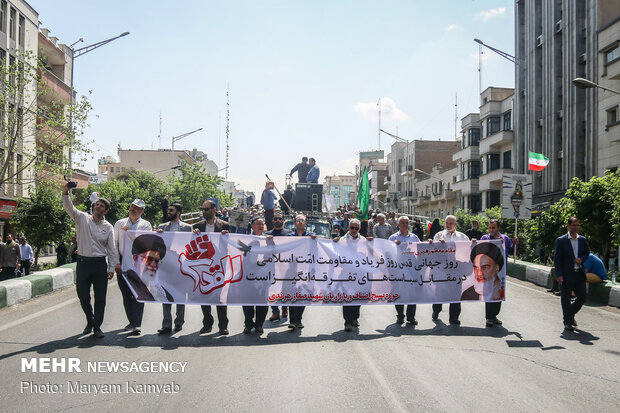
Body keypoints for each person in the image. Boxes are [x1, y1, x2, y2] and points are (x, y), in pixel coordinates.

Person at [62, 183, 118, 338]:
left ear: (106, 211)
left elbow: (112, 249)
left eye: (101, 206)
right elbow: (69, 208)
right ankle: (90, 319)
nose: (98, 207)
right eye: (97, 204)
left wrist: (112, 268)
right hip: (83, 264)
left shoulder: (108, 227)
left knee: (100, 298)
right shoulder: (82, 219)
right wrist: (66, 192)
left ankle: (97, 327)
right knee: (83, 296)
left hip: (100, 265)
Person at [114, 199, 153, 336]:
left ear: (141, 211)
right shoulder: (120, 223)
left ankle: (137, 324)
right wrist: (115, 263)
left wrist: (131, 233)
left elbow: (146, 244)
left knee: (138, 296)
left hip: (139, 267)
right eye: (132, 206)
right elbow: (114, 244)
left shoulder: (146, 225)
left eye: (137, 208)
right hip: (122, 265)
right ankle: (132, 321)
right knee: (126, 296)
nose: (133, 209)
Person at [193, 199, 231, 335]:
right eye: (202, 209)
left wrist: (227, 236)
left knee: (220, 296)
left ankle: (223, 326)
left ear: (214, 210)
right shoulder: (198, 226)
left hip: (219, 266)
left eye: (206, 209)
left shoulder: (225, 225)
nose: (204, 212)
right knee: (205, 294)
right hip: (203, 266)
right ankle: (207, 324)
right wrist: (194, 234)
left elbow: (231, 244)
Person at [156, 202, 193, 334]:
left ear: (178, 213)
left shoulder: (187, 228)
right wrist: (158, 235)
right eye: (168, 210)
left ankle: (179, 322)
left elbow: (190, 246)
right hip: (166, 267)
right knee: (165, 295)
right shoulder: (162, 227)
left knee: (180, 295)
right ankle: (166, 324)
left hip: (180, 267)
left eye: (171, 210)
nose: (168, 212)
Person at [333, 219, 372, 331]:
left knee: (358, 296)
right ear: (348, 228)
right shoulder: (341, 240)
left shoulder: (364, 241)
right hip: (346, 273)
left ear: (359, 229)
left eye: (356, 228)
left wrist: (372, 242)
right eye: (352, 228)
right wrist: (333, 242)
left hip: (360, 273)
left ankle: (355, 318)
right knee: (347, 297)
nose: (354, 230)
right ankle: (347, 322)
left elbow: (370, 255)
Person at [431, 215, 469, 325]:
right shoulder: (439, 235)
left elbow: (468, 251)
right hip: (442, 270)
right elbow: (432, 250)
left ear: (455, 224)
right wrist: (438, 244)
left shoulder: (463, 237)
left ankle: (454, 317)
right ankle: (436, 311)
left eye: (451, 223)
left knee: (456, 294)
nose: (448, 225)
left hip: (456, 270)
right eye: (447, 223)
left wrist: (474, 242)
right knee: (439, 292)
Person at [554, 216, 590, 331]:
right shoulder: (561, 240)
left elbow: (587, 253)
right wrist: (559, 275)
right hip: (566, 273)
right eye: (574, 225)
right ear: (568, 226)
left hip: (579, 272)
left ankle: (570, 314)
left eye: (578, 225)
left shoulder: (583, 240)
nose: (576, 227)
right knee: (566, 298)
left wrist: (581, 259)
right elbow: (557, 259)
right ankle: (567, 322)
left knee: (582, 297)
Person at [480, 219, 515, 327]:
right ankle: (489, 317)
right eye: (490, 227)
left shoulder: (505, 239)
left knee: (499, 293)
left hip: (501, 271)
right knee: (489, 293)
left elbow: (512, 250)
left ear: (498, 228)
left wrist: (515, 243)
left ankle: (494, 316)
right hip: (488, 271)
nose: (491, 230)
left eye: (493, 227)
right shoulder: (484, 238)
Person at [389, 216, 420, 325]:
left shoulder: (414, 237)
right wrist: (394, 246)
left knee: (412, 293)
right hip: (398, 269)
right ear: (398, 224)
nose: (405, 224)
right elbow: (387, 253)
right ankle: (400, 316)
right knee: (399, 293)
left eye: (407, 222)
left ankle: (411, 317)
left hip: (412, 269)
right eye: (402, 223)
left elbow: (420, 250)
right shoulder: (392, 238)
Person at [287, 214, 316, 330]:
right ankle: (292, 321)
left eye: (302, 220)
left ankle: (298, 319)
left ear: (305, 223)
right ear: (294, 223)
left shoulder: (311, 236)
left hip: (306, 269)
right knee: (293, 295)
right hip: (291, 270)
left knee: (303, 294)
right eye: (298, 220)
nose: (300, 222)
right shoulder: (289, 236)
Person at [125, 233, 173, 302]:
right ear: (135, 258)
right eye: (149, 259)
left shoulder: (162, 291)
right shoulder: (130, 282)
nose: (153, 264)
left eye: (157, 261)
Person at [265, 210, 293, 322]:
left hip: (285, 265)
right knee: (272, 289)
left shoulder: (289, 233)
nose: (277, 220)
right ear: (272, 221)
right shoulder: (267, 235)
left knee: (285, 288)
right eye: (275, 219)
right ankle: (275, 311)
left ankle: (285, 308)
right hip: (271, 266)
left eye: (280, 218)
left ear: (283, 220)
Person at [243, 217, 269, 334]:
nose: (260, 226)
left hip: (264, 276)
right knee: (247, 302)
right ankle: (248, 324)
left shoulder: (268, 239)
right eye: (258, 224)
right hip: (248, 275)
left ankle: (259, 324)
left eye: (262, 224)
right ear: (252, 226)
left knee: (262, 301)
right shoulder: (245, 239)